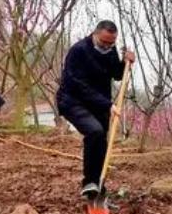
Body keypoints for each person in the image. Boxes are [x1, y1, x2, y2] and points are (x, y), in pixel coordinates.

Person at [57, 20, 135, 200]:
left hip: (99, 104)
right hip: (73, 100)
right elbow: (77, 85)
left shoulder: (109, 50)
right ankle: (89, 182)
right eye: (104, 42)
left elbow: (116, 74)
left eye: (111, 43)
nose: (107, 46)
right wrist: (107, 105)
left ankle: (97, 186)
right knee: (94, 131)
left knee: (101, 142)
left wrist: (126, 63)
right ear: (95, 34)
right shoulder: (78, 51)